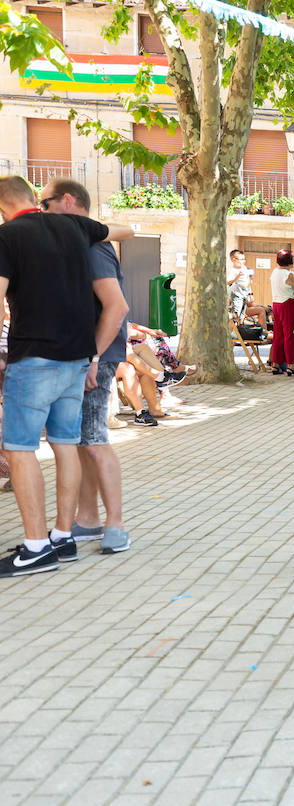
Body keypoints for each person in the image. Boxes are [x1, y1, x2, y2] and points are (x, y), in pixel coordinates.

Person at [0, 174, 133, 576]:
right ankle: (63, 537)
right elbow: (124, 229)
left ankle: (37, 546)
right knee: (64, 443)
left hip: (34, 356)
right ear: (32, 199)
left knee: (20, 449)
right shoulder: (75, 226)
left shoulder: (7, 236)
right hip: (77, 359)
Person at [40, 178, 134, 554]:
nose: (41, 212)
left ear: (66, 201)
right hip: (86, 356)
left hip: (96, 357)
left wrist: (93, 359)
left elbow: (117, 307)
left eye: (44, 204)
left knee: (94, 442)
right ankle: (89, 520)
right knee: (81, 443)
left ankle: (115, 525)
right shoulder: (81, 242)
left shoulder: (92, 246)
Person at [269, 249, 294, 376]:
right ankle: (291, 365)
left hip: (276, 304)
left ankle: (276, 363)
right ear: (290, 260)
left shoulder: (275, 272)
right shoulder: (289, 275)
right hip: (288, 304)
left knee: (278, 335)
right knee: (290, 335)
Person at [227, 249, 267, 328]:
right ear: (234, 260)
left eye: (244, 259)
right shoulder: (234, 271)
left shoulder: (243, 268)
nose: (243, 261)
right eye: (241, 259)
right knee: (240, 317)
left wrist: (250, 294)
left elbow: (247, 283)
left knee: (262, 309)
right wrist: (237, 276)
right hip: (238, 302)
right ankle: (263, 332)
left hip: (245, 298)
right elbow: (228, 282)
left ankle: (262, 331)